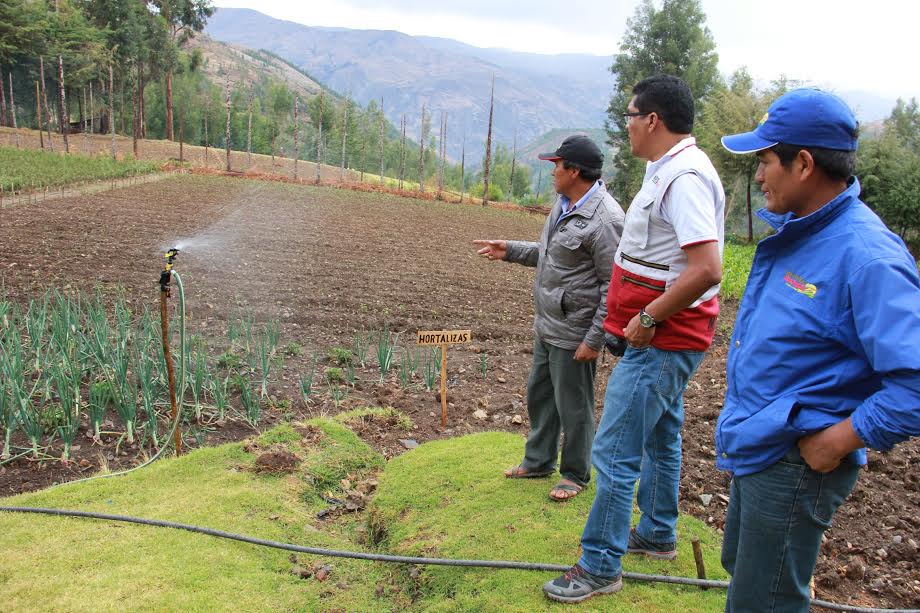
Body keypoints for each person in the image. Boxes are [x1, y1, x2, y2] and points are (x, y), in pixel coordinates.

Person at [715, 88, 920, 612]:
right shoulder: (801, 236)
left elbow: (915, 384)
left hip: (796, 460)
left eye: (764, 160)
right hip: (761, 443)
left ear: (803, 163)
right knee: (746, 577)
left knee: (767, 601)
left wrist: (839, 441)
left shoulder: (867, 257)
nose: (759, 175)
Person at [543, 74, 725, 602]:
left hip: (661, 340)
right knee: (663, 436)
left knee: (616, 451)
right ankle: (658, 533)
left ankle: (599, 564)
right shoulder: (665, 168)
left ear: (652, 120)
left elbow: (707, 267)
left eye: (629, 115)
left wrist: (647, 318)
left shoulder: (684, 177)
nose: (623, 126)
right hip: (661, 337)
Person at [474, 134, 625, 502]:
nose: (553, 172)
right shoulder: (564, 204)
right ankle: (539, 460)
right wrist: (509, 250)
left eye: (556, 165)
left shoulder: (605, 219)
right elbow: (549, 255)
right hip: (548, 323)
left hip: (575, 331)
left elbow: (614, 286)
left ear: (574, 170)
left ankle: (575, 474)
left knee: (574, 405)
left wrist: (595, 338)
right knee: (540, 395)